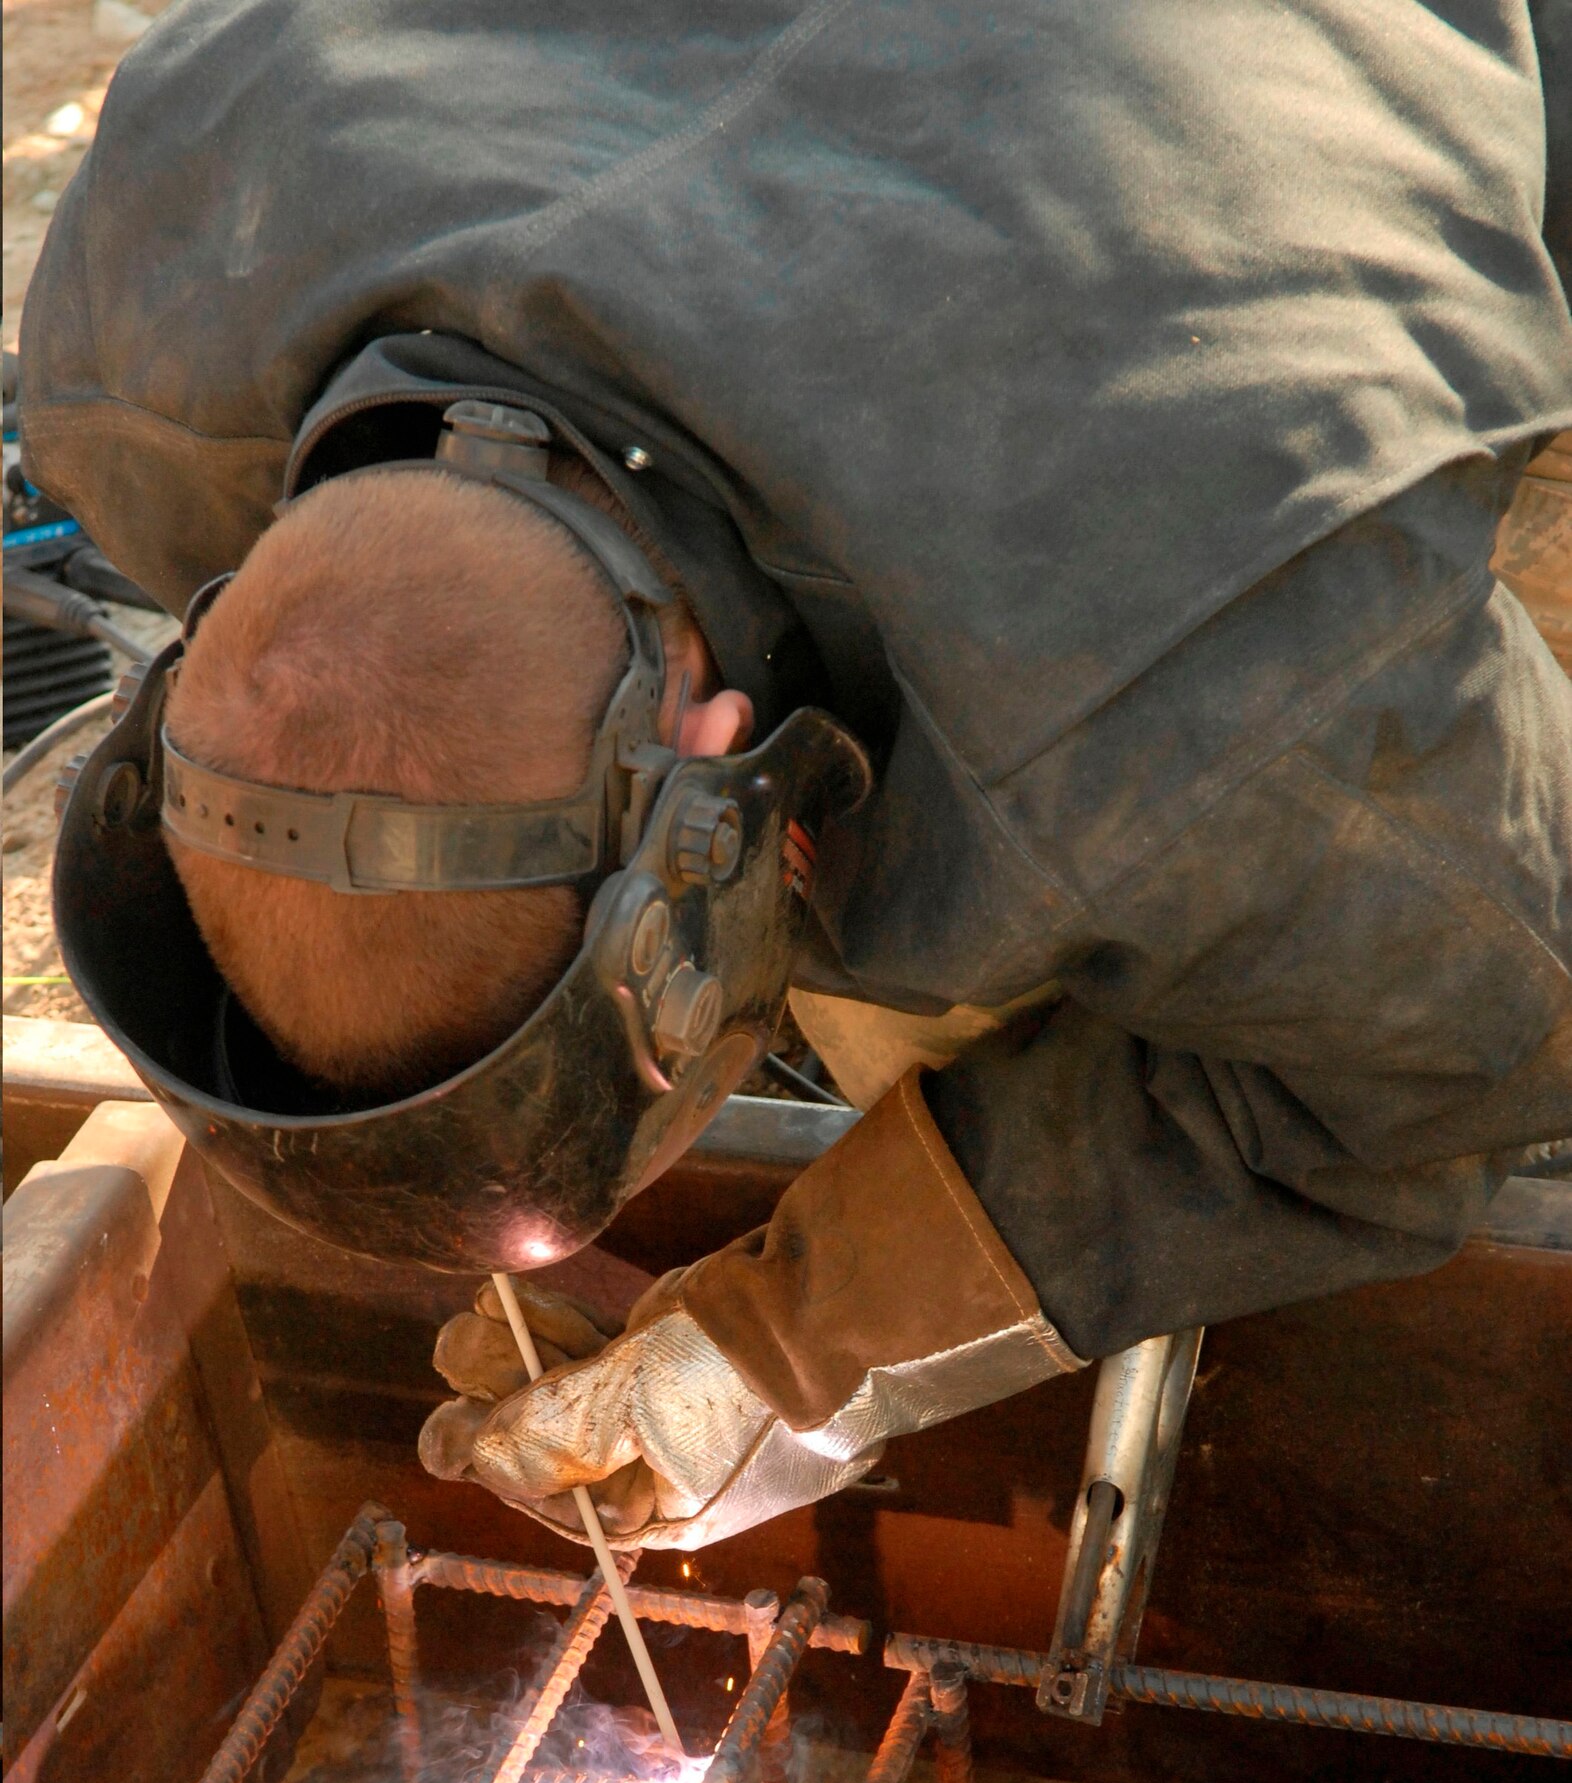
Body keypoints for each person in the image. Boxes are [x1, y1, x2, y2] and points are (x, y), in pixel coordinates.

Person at [21, 0, 1572, 1550]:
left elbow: (1479, 1044)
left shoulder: (1205, 680)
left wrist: (817, 1342)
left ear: (712, 754)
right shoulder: (143, 328)